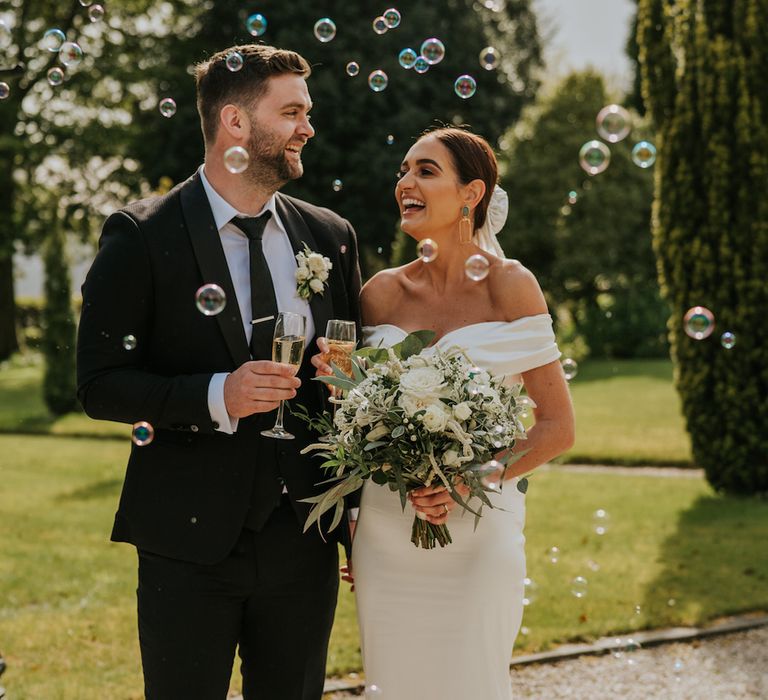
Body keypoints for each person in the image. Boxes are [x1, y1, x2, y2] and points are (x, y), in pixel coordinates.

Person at [76, 44, 362, 700]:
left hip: (304, 541)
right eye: (291, 112)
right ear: (235, 123)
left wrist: (348, 384)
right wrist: (217, 394)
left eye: (307, 112)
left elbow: (354, 387)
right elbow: (99, 383)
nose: (308, 127)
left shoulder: (330, 236)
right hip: (187, 543)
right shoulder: (142, 236)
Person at [314, 127, 575, 699]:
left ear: (471, 193)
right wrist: (337, 387)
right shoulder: (379, 293)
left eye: (426, 171)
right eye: (403, 171)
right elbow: (353, 417)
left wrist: (471, 475)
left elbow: (558, 427)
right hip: (385, 532)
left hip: (479, 528)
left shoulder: (512, 287)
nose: (405, 182)